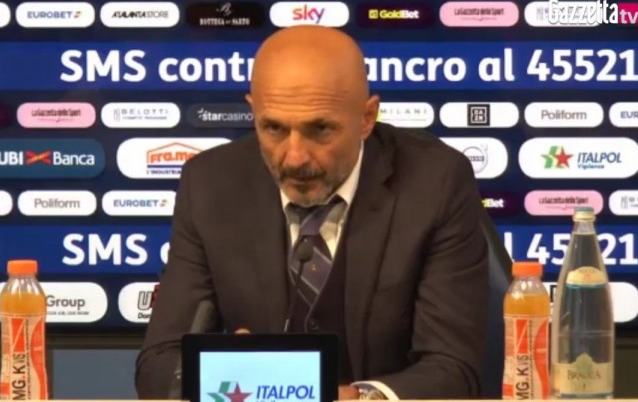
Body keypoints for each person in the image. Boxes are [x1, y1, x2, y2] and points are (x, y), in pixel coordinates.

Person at [135, 25, 489, 400]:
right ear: (253, 111)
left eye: (320, 129)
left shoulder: (435, 182)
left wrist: (360, 398)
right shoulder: (210, 184)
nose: (295, 157)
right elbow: (159, 365)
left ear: (367, 118)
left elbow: (454, 369)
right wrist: (234, 379)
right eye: (273, 128)